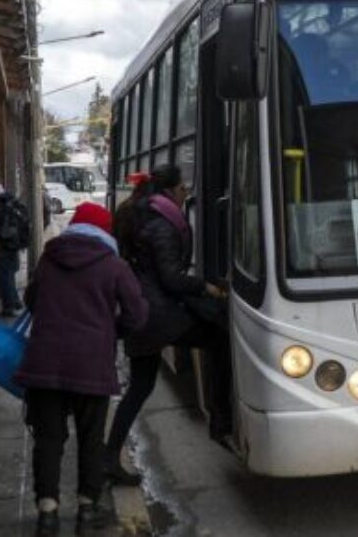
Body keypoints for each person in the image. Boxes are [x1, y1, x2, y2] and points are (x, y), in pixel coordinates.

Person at [15, 202, 148, 536]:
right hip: (92, 365)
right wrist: (108, 329)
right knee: (90, 439)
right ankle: (87, 510)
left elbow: (31, 301)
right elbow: (137, 316)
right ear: (105, 232)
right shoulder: (115, 266)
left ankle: (47, 512)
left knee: (48, 439)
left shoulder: (49, 260)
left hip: (45, 363)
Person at [104, 164, 230, 486]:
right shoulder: (161, 224)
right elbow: (172, 280)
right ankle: (222, 416)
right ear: (171, 190)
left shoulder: (143, 214)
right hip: (157, 315)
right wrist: (206, 287)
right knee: (219, 336)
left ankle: (108, 458)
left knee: (140, 388)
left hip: (144, 313)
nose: (186, 193)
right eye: (183, 188)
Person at [0, 189, 31, 316]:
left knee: (5, 276)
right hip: (14, 245)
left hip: (5, 246)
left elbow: (2, 231)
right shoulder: (15, 206)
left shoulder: (3, 209)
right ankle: (15, 300)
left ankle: (9, 306)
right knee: (10, 274)